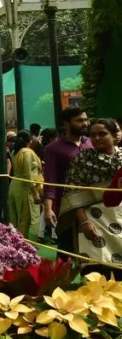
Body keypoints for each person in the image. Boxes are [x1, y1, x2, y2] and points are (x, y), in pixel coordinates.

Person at [59, 118, 122, 270]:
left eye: (102, 134)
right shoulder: (82, 159)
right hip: (93, 219)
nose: (97, 138)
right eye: (93, 135)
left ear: (115, 136)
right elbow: (73, 194)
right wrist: (84, 222)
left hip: (120, 216)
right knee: (96, 269)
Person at [43, 107, 91, 255]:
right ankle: (62, 278)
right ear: (67, 124)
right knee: (66, 249)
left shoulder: (91, 143)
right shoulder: (53, 149)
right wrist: (48, 209)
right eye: (79, 120)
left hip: (93, 203)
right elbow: (50, 180)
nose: (85, 123)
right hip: (67, 206)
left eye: (85, 119)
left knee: (92, 247)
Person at [8, 132, 43, 239]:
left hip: (15, 185)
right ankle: (23, 245)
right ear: (30, 140)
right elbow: (27, 174)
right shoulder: (27, 152)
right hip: (25, 187)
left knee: (15, 217)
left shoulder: (15, 151)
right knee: (25, 218)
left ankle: (17, 243)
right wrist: (35, 192)